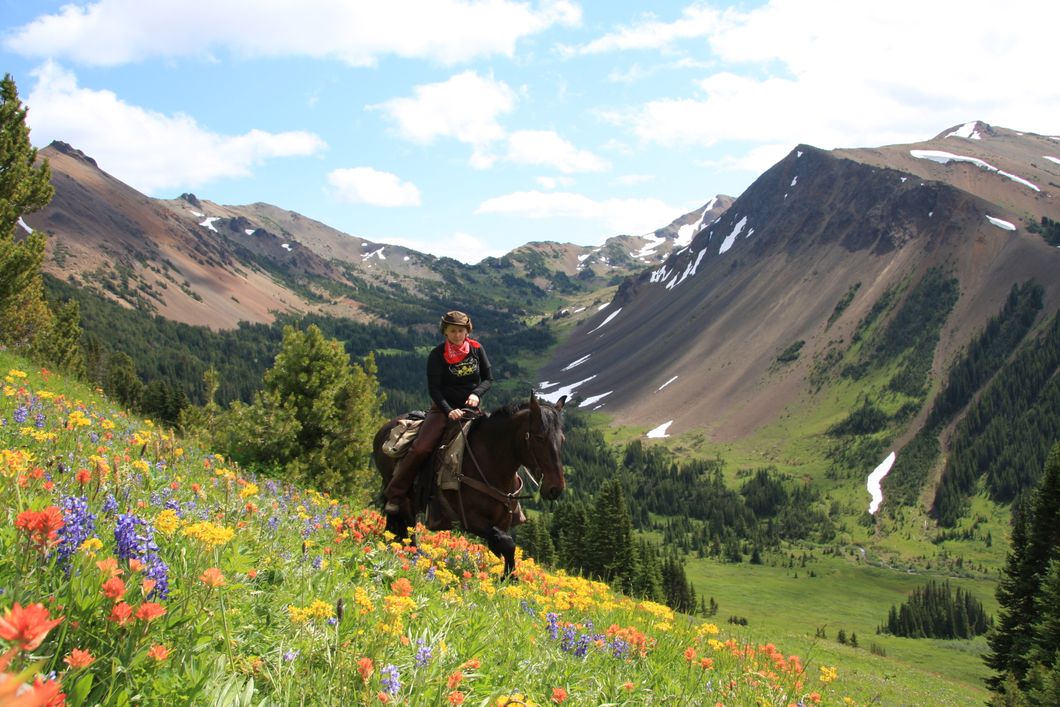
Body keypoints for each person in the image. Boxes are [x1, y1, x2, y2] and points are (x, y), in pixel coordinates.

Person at [384, 310, 493, 514]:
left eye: (461, 331)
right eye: (453, 331)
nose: (457, 335)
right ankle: (396, 494)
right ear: (445, 332)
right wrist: (448, 410)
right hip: (443, 409)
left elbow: (488, 378)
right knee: (421, 449)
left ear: (467, 331)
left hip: (471, 409)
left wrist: (477, 394)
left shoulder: (477, 350)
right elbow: (434, 389)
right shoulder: (437, 354)